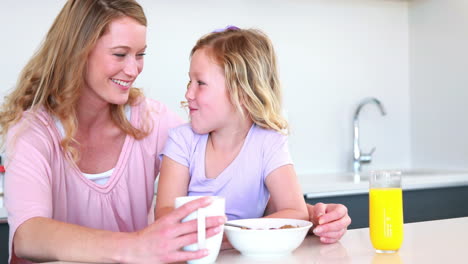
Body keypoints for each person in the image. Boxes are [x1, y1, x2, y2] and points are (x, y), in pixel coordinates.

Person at [0, 1, 225, 263]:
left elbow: (220, 158)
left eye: (140, 55)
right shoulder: (34, 133)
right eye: (120, 54)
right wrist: (135, 245)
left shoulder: (152, 121)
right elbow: (28, 236)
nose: (133, 70)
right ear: (78, 53)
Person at [154, 27, 351, 244]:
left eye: (200, 83)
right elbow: (164, 215)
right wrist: (244, 233)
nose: (188, 93)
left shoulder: (269, 142)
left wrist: (226, 237)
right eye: (189, 81)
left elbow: (296, 211)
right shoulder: (182, 141)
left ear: (242, 93)